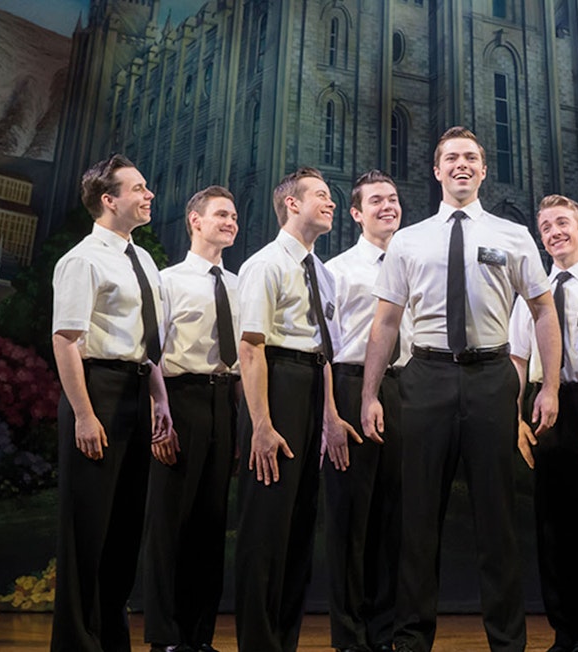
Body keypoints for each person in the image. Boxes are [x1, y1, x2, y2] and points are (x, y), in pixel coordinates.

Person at [360, 126, 562, 652]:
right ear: (436, 170)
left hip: (492, 378)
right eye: (451, 158)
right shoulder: (409, 240)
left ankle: (507, 642)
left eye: (471, 157)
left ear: (484, 169)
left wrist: (551, 388)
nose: (461, 165)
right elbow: (384, 324)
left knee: (497, 520)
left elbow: (544, 312)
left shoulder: (514, 236)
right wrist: (368, 394)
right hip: (424, 379)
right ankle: (411, 640)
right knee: (418, 519)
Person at [50, 154, 172, 652]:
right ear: (109, 200)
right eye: (138, 188)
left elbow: (150, 340)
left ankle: (112, 639)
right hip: (96, 389)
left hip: (135, 392)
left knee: (124, 529)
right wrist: (83, 413)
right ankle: (78, 643)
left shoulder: (141, 257)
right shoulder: (83, 259)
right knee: (88, 529)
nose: (148, 196)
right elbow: (66, 339)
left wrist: (159, 399)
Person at [234, 167, 357, 652]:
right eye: (321, 196)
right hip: (275, 384)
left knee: (301, 524)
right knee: (267, 522)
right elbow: (250, 348)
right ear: (291, 203)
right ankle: (259, 643)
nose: (330, 203)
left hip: (310, 383)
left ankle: (284, 638)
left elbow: (324, 350)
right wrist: (261, 425)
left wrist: (329, 417)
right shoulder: (265, 265)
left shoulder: (323, 272)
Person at [509, 195, 578, 652]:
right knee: (553, 526)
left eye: (562, 223)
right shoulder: (531, 293)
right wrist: (516, 418)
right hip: (543, 409)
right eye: (546, 227)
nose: (554, 233)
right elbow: (517, 357)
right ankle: (565, 630)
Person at [143, 185, 241, 652]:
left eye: (235, 217)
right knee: (170, 524)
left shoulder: (240, 285)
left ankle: (201, 637)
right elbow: (151, 355)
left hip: (225, 402)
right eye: (221, 214)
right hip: (179, 400)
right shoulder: (169, 280)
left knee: (211, 522)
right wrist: (158, 417)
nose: (230, 222)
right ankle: (165, 636)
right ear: (195, 221)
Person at [322, 170, 408, 652]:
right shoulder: (339, 270)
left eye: (393, 199)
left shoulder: (414, 264)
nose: (387, 207)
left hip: (404, 390)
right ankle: (350, 636)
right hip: (353, 388)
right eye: (376, 201)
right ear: (356, 213)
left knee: (394, 518)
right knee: (350, 521)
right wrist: (331, 414)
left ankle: (385, 630)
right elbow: (325, 350)